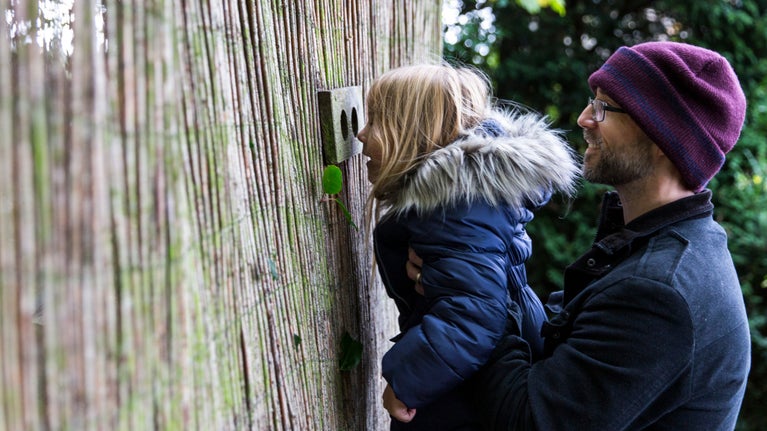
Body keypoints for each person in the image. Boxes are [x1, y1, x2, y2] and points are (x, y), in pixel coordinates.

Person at [407, 41, 752, 430]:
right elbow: (550, 346)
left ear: (662, 138)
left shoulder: (661, 292)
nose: (585, 117)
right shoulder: (650, 245)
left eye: (605, 107)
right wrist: (472, 265)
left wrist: (469, 286)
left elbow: (528, 419)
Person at [356, 63, 580, 430]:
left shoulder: (456, 206)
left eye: (376, 121)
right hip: (465, 378)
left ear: (414, 132)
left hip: (464, 394)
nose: (362, 134)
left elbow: (471, 313)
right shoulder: (466, 202)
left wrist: (407, 382)